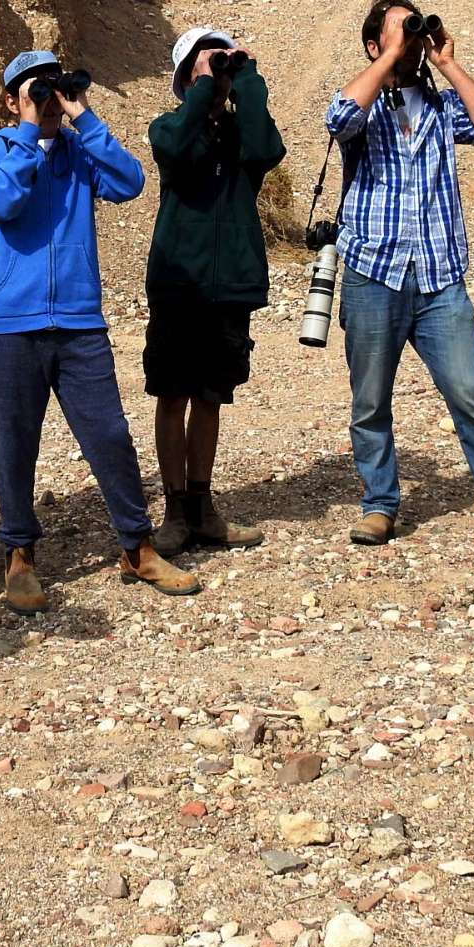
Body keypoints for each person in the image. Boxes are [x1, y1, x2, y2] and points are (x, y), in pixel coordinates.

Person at [326, 0, 474, 550]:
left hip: (438, 276)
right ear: (372, 45)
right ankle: (380, 504)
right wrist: (390, 56)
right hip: (373, 272)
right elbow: (338, 118)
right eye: (395, 33)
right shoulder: (366, 103)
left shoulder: (440, 106)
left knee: (469, 391)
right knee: (370, 400)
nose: (408, 42)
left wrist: (447, 61)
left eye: (413, 31)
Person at [0, 49, 199, 613]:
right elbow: (3, 200)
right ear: (10, 99)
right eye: (33, 90)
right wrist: (30, 130)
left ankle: (137, 546)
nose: (46, 98)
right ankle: (19, 555)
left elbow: (129, 183)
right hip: (8, 324)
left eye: (51, 87)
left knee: (109, 438)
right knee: (13, 445)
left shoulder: (79, 148)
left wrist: (84, 116)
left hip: (78, 320)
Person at [145, 27, 287, 553]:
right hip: (179, 285)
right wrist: (202, 87)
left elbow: (269, 149)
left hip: (228, 287)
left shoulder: (239, 135)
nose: (217, 76)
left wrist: (247, 79)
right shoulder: (168, 127)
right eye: (206, 68)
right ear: (186, 79)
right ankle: (175, 509)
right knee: (171, 394)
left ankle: (203, 507)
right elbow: (177, 146)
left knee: (210, 396)